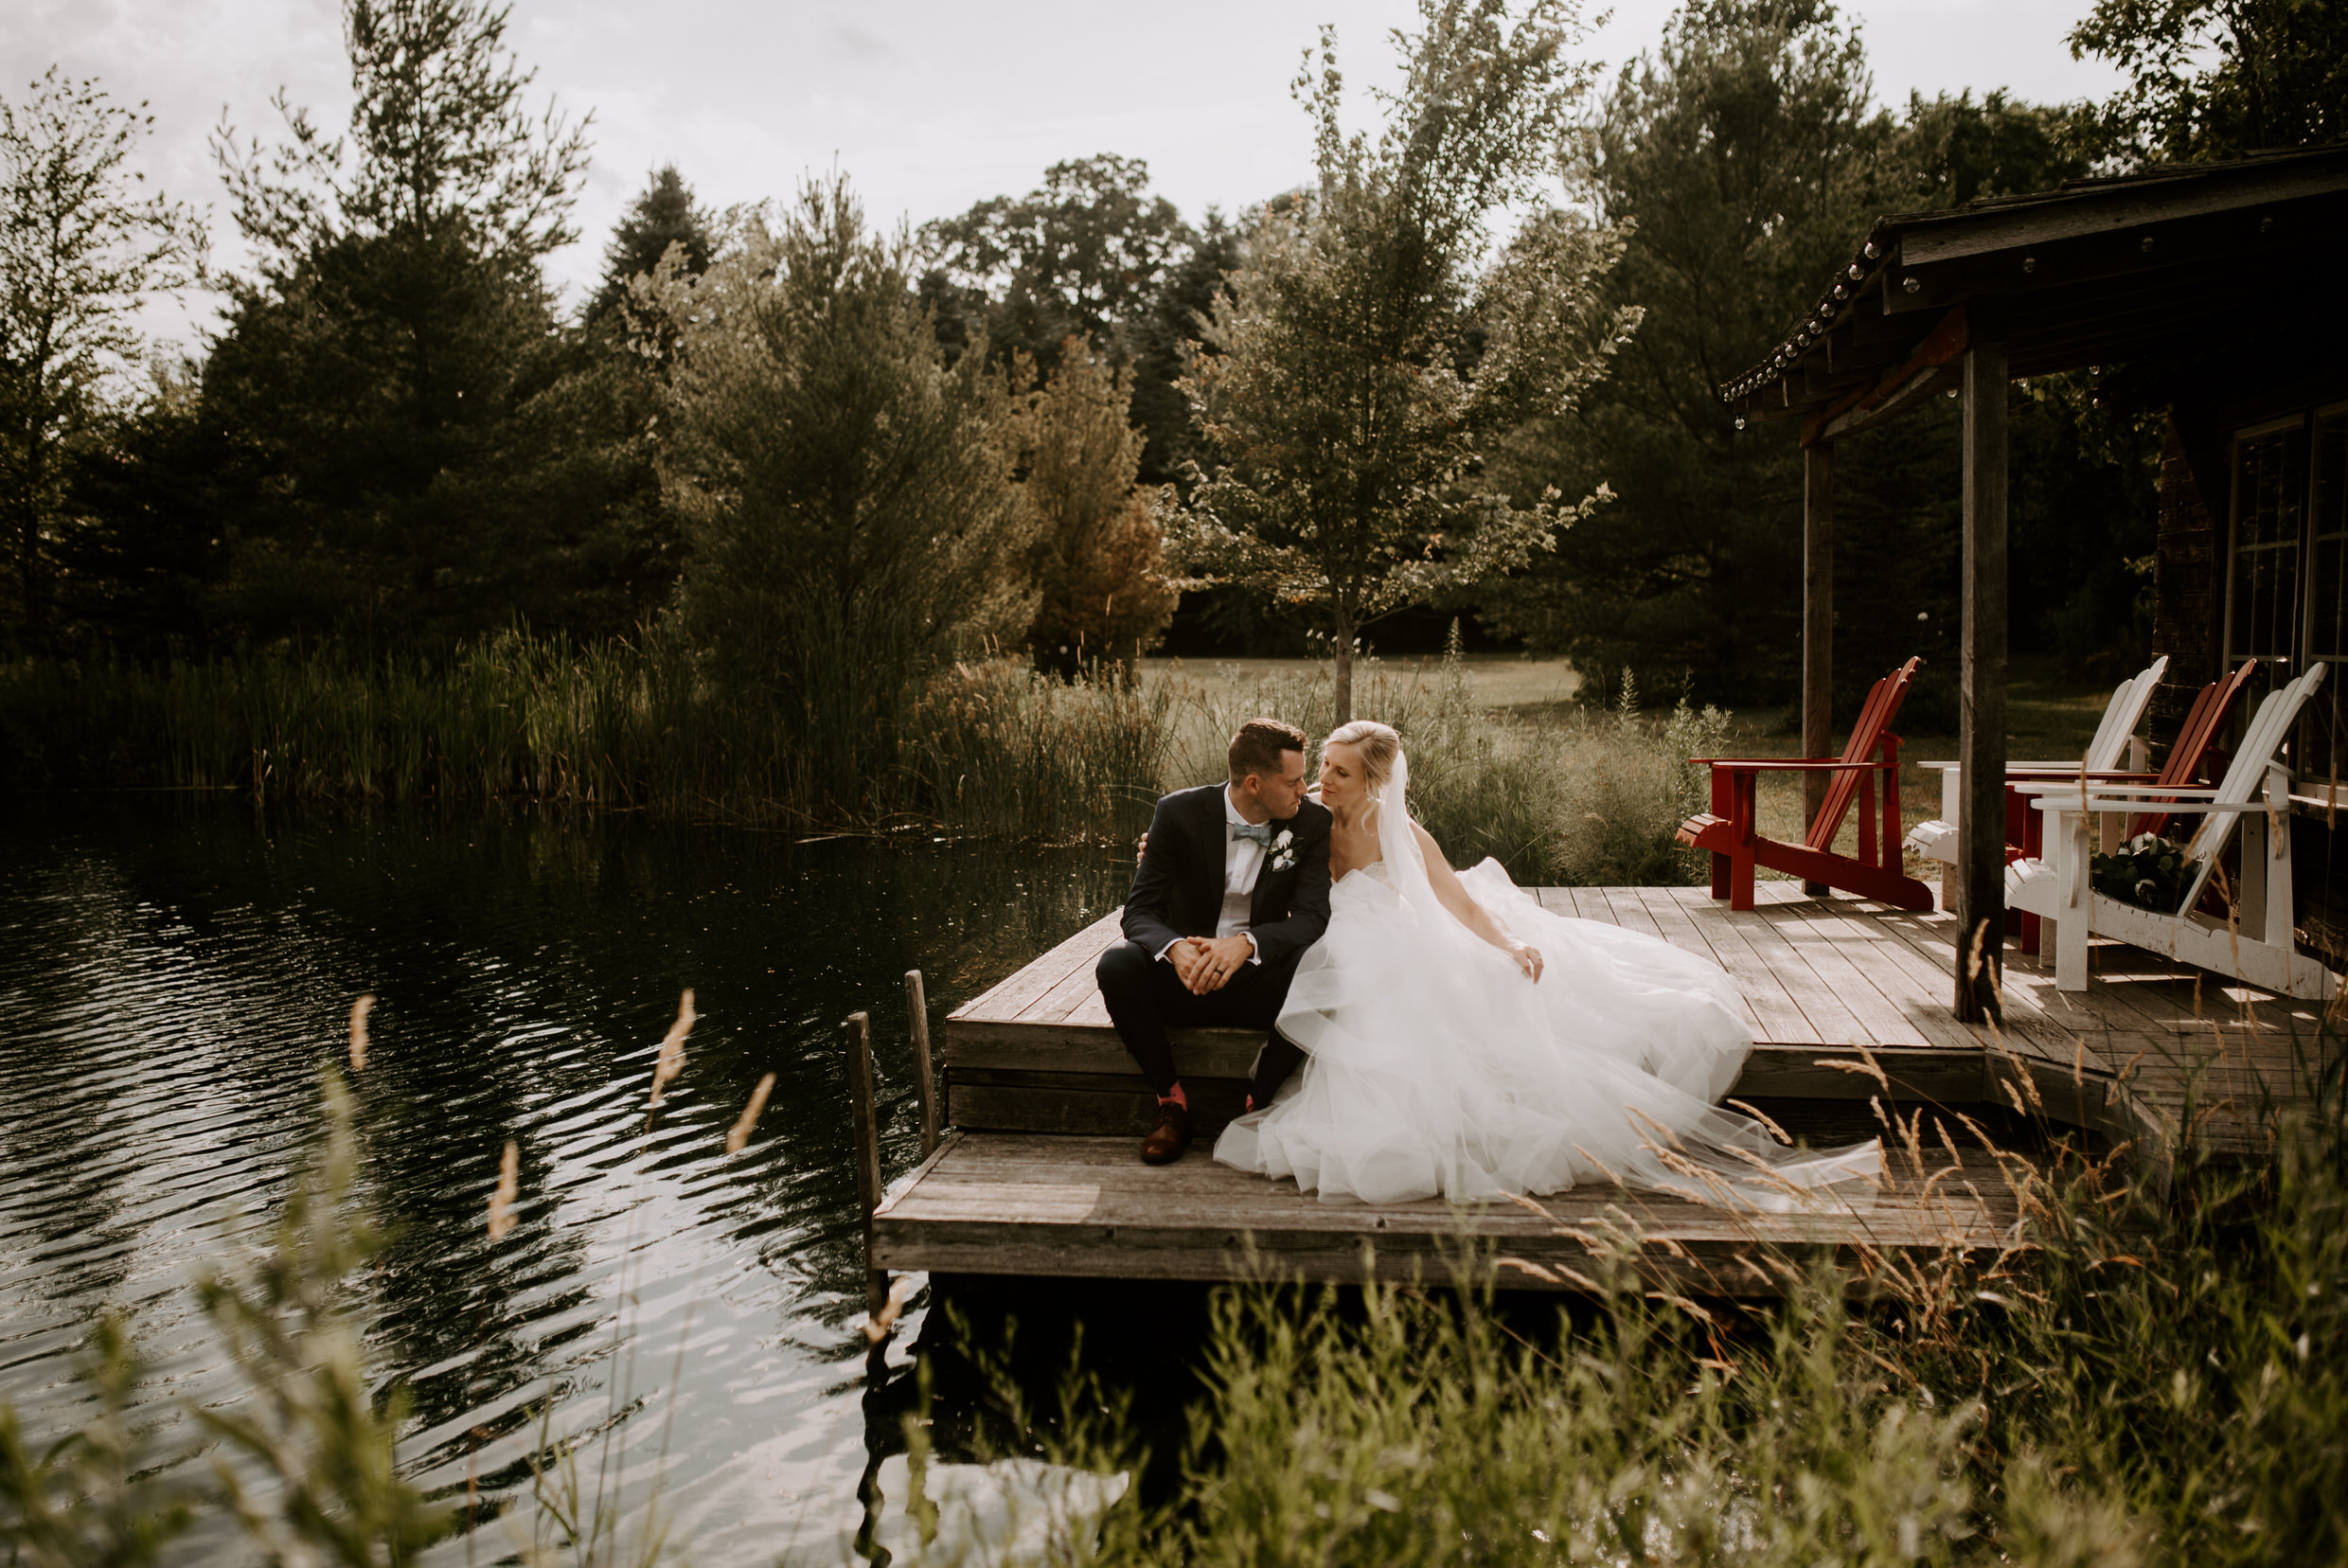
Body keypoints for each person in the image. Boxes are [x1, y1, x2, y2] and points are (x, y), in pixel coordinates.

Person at [1213, 721, 1880, 1207]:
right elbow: (1245, 834)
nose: (1323, 779)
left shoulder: (1402, 832)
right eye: (1323, 766)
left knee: (1418, 990)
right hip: (1339, 937)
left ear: (1375, 780)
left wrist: (1505, 944)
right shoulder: (1304, 820)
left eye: (1338, 771)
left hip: (1387, 938)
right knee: (1359, 979)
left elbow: (1455, 901)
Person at [1096, 718, 1333, 1166]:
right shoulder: (1177, 812)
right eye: (1295, 780)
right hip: (1183, 980)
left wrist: (1247, 944)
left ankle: (1258, 1102)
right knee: (1116, 966)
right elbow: (1140, 912)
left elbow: (1312, 918)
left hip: (1256, 982)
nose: (1306, 788)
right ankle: (1171, 1103)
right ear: (1253, 782)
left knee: (1325, 968)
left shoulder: (1311, 823)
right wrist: (1176, 949)